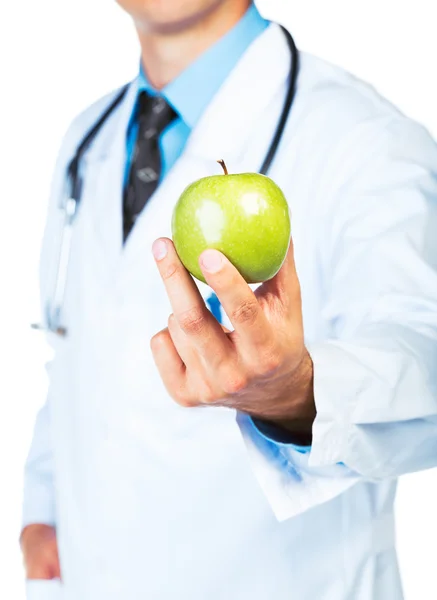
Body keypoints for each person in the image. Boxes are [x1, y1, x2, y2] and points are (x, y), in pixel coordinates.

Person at [20, 1, 437, 598]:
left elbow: (425, 353)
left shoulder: (366, 138)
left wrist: (292, 396)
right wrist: (42, 507)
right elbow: (76, 347)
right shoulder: (89, 137)